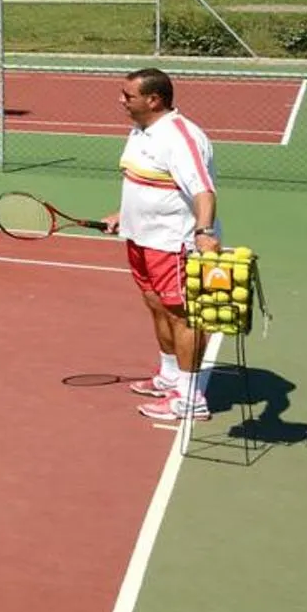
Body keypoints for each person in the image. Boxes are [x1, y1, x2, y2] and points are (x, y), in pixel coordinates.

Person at [100, 67, 221, 422]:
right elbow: (144, 180)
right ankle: (170, 377)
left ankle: (190, 398)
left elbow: (202, 189)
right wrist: (123, 213)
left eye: (128, 95)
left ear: (153, 99)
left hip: (175, 243)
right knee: (156, 305)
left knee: (182, 315)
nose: (120, 100)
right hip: (141, 238)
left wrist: (204, 231)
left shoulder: (181, 137)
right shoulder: (141, 130)